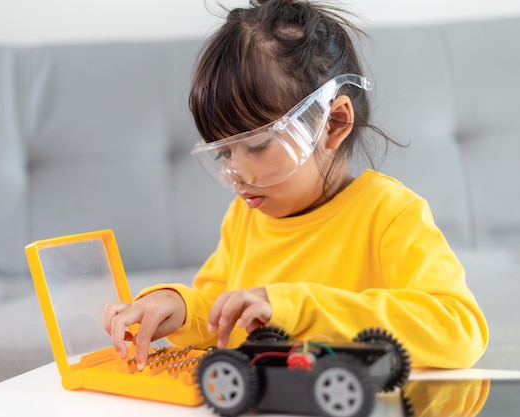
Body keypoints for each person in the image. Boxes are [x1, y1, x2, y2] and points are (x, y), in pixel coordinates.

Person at [104, 0, 488, 371]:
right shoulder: (244, 216)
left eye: (256, 145)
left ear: (333, 124)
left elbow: (458, 328)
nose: (236, 174)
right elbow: (216, 312)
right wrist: (178, 306)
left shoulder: (389, 214)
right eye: (223, 154)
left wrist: (297, 309)